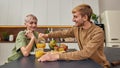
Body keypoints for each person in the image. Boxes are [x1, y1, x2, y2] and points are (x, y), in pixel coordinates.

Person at [38, 4, 110, 68]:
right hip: (85, 61)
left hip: (98, 65)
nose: (73, 20)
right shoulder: (77, 28)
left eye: (75, 17)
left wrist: (56, 56)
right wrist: (47, 35)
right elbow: (63, 33)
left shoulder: (98, 32)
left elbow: (86, 53)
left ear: (85, 17)